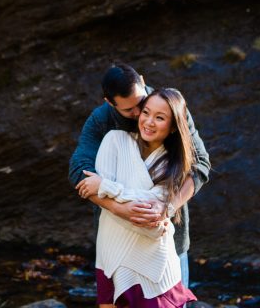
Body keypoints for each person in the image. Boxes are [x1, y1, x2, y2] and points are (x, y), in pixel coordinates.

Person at [68, 63, 210, 287]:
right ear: (109, 102)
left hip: (166, 235)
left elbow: (200, 163)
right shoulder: (101, 119)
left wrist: (167, 208)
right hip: (117, 240)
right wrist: (120, 209)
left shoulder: (171, 105)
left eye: (140, 103)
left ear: (142, 82)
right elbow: (79, 170)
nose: (139, 115)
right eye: (128, 110)